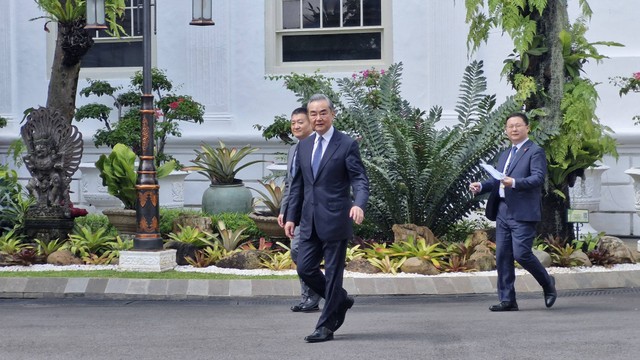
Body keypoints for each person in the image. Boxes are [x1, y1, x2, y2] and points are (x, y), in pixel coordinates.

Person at [284, 94, 369, 342]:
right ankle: (340, 300)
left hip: (335, 218)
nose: (318, 118)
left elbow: (359, 179)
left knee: (333, 275)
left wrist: (359, 204)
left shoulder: (346, 144)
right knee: (305, 268)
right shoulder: (304, 146)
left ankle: (326, 325)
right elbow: (298, 185)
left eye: (323, 113)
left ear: (332, 114)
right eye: (313, 113)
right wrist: (291, 216)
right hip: (309, 220)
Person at [469, 112, 557, 311]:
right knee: (502, 256)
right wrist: (481, 187)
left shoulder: (535, 151)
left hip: (523, 211)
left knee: (522, 254)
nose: (514, 129)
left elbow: (537, 179)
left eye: (518, 125)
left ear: (528, 128)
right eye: (510, 126)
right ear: (506, 131)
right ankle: (508, 300)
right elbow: (497, 180)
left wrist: (514, 182)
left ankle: (547, 283)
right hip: (502, 210)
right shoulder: (506, 154)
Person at [278, 106, 321, 313]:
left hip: (318, 212)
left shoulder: (319, 148)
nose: (295, 126)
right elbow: (290, 184)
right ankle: (311, 295)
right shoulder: (294, 150)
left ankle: (317, 294)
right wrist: (284, 211)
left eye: (300, 122)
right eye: (293, 122)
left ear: (311, 123)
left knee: (303, 253)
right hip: (298, 213)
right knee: (298, 252)